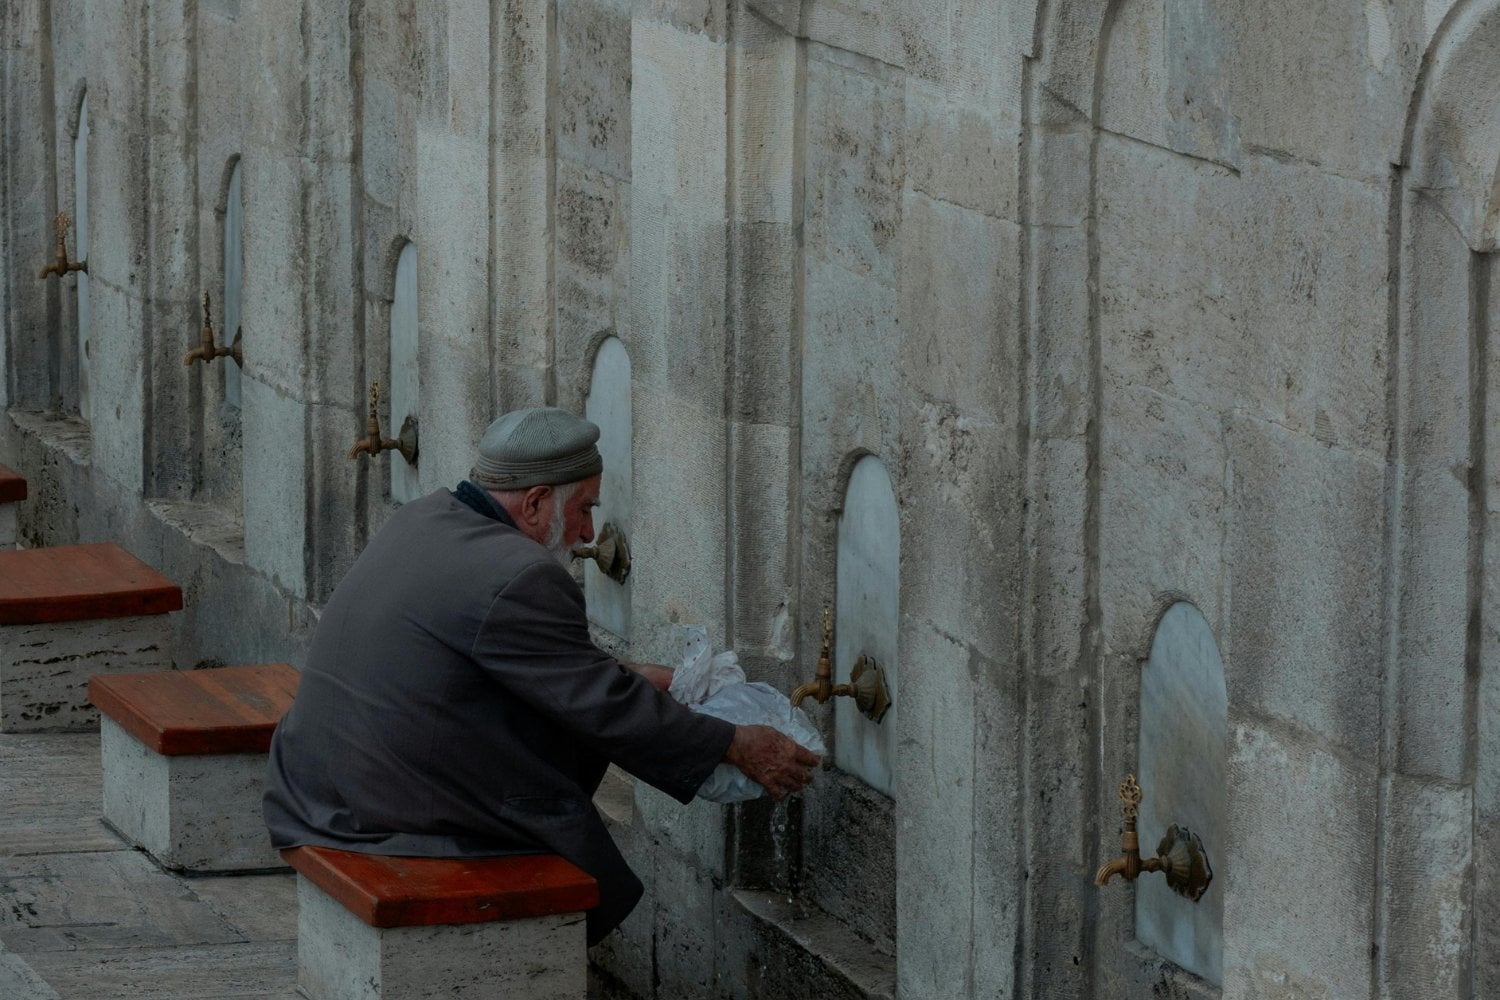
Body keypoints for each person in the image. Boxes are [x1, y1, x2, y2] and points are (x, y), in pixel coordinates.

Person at [263, 407, 819, 944]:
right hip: (387, 813)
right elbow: (604, 709)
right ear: (534, 503)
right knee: (559, 796)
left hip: (320, 783)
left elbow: (531, 663)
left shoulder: (425, 516)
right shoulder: (520, 574)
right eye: (584, 509)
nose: (589, 532)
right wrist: (733, 743)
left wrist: (637, 676)